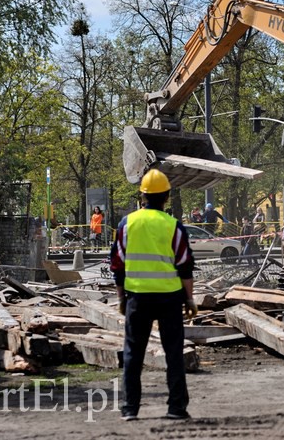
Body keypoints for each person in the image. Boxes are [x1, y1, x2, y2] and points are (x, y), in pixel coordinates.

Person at [110, 169, 197, 421]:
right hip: (170, 299)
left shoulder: (127, 224)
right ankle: (176, 408)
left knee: (133, 354)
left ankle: (129, 408)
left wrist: (121, 299)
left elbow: (118, 265)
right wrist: (189, 298)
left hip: (137, 297)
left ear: (142, 195)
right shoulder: (173, 226)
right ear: (167, 197)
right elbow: (185, 266)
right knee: (173, 353)